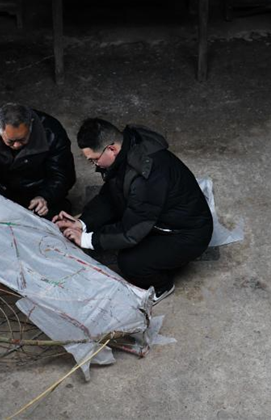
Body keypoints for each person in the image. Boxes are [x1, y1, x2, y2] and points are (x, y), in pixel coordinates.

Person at [54, 118, 212, 304]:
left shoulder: (146, 176)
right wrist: (82, 223)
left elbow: (131, 233)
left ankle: (162, 286)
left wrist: (87, 239)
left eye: (95, 160)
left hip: (186, 233)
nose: (95, 166)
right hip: (160, 214)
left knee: (131, 262)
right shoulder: (128, 149)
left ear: (111, 149)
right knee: (115, 208)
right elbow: (110, 197)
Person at [0, 103, 76, 218]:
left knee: (56, 225)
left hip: (38, 189)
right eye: (10, 141)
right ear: (0, 129)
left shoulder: (52, 132)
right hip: (1, 186)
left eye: (22, 139)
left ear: (31, 125)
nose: (17, 145)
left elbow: (63, 175)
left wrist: (45, 197)